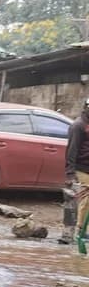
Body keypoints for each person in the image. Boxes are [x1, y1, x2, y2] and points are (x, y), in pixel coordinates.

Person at [63, 98, 89, 239]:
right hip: (82, 168)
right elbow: (72, 150)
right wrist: (70, 173)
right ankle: (81, 229)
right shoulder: (78, 126)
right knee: (87, 199)